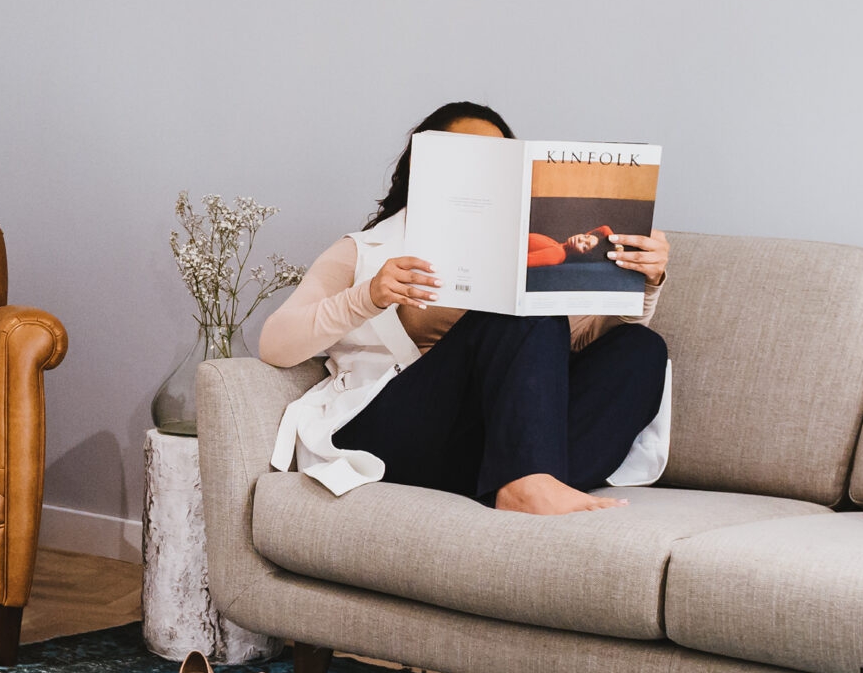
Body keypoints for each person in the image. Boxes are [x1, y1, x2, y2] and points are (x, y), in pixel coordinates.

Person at [259, 103, 671, 515]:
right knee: (519, 317)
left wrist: (643, 279)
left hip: (483, 445)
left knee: (641, 348)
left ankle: (525, 481)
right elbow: (275, 345)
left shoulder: (533, 253)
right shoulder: (363, 250)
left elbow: (590, 339)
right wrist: (367, 296)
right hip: (392, 432)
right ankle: (527, 482)